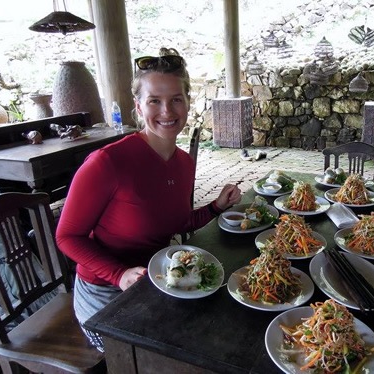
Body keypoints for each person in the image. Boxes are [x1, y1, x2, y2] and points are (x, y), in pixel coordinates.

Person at [56, 47, 242, 351]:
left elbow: (176, 222)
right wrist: (119, 274)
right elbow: (67, 237)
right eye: (155, 100)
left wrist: (216, 206)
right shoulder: (106, 162)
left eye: (176, 100)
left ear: (187, 104)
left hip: (157, 281)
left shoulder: (183, 162)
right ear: (139, 107)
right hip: (104, 296)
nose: (167, 111)